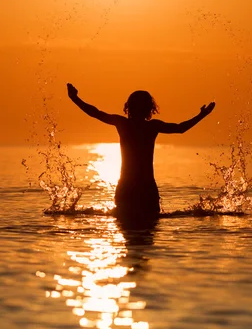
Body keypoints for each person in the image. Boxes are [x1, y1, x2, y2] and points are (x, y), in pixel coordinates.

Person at [67, 83, 215, 224]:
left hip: (127, 186)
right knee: (150, 223)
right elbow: (181, 128)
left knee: (125, 223)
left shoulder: (123, 123)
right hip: (146, 186)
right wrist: (202, 115)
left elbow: (95, 113)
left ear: (128, 107)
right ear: (150, 109)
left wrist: (75, 98)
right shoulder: (151, 126)